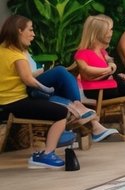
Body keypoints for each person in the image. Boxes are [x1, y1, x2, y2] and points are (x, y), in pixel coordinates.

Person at [0, 15, 80, 168]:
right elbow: (27, 79)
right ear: (18, 30)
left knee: (59, 87)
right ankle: (46, 154)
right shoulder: (17, 55)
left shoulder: (2, 50)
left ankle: (74, 111)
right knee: (61, 112)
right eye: (30, 30)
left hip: (7, 102)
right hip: (16, 103)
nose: (33, 34)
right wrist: (47, 90)